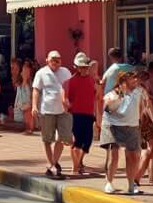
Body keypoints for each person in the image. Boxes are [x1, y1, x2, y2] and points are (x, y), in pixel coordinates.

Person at [101, 70, 153, 195]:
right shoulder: (114, 94)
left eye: (137, 78)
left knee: (133, 156)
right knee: (114, 154)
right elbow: (106, 108)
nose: (136, 81)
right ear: (123, 81)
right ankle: (109, 183)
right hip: (112, 126)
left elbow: (148, 106)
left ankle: (131, 185)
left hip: (132, 125)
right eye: (133, 79)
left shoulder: (140, 91)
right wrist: (118, 99)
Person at [32, 50, 72, 178]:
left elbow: (70, 88)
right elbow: (36, 90)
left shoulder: (65, 72)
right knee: (47, 139)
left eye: (58, 59)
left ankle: (53, 163)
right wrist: (34, 106)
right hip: (47, 110)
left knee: (63, 137)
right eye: (53, 59)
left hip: (63, 111)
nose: (55, 62)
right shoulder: (41, 73)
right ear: (47, 60)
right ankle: (52, 164)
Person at [66, 53, 97, 176]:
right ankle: (75, 168)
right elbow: (67, 98)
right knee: (77, 142)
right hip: (76, 114)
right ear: (77, 67)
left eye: (85, 67)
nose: (84, 69)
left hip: (89, 113)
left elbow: (95, 97)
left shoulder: (91, 80)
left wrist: (96, 114)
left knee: (88, 141)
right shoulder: (71, 81)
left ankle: (79, 162)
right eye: (81, 67)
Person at [14, 59, 34, 134]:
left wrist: (25, 79)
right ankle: (28, 129)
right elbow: (19, 93)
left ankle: (29, 129)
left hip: (27, 100)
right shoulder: (21, 82)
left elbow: (29, 91)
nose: (23, 73)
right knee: (26, 115)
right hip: (23, 100)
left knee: (28, 115)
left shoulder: (28, 82)